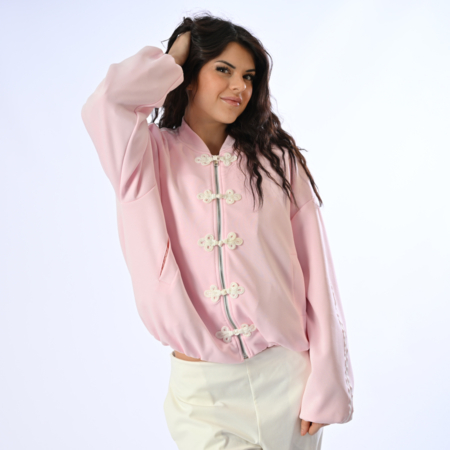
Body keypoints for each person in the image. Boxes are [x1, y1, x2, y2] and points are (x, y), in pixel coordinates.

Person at [81, 12, 354, 450]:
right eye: (223, 70)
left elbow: (318, 275)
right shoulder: (144, 156)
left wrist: (328, 381)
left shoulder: (277, 161)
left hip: (287, 380)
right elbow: (105, 104)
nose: (239, 86)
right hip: (203, 394)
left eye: (248, 76)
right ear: (189, 77)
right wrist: (175, 57)